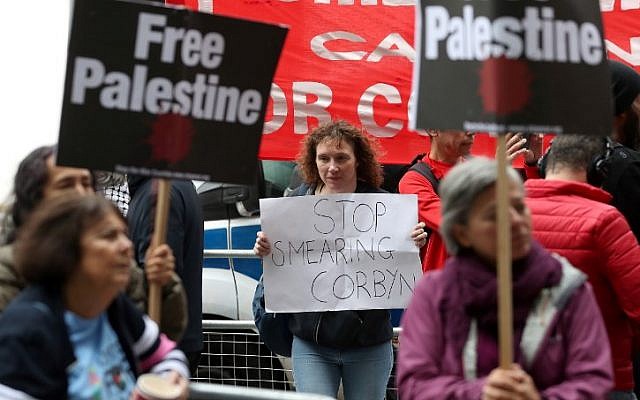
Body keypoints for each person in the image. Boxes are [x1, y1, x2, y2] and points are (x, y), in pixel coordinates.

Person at [397, 157, 614, 399]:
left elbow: (594, 380)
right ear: (462, 232)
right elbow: (414, 385)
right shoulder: (434, 294)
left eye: (519, 207)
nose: (515, 220)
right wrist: (480, 393)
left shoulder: (568, 288)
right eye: (495, 215)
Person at [253, 120, 427, 400]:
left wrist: (415, 241)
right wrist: (265, 249)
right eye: (324, 158)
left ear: (358, 161)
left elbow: (402, 262)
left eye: (341, 158)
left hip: (368, 343)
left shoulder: (385, 207)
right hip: (312, 343)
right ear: (313, 160)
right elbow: (282, 264)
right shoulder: (295, 202)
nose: (332, 167)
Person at [0, 194, 190, 399]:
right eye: (109, 236)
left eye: (125, 234)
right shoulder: (25, 331)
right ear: (64, 249)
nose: (127, 245)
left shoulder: (113, 306)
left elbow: (168, 356)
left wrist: (168, 383)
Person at [0, 145, 187, 341]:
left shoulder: (113, 258)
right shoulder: (11, 267)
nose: (81, 194)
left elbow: (158, 338)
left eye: (86, 183)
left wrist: (163, 285)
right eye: (66, 185)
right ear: (35, 197)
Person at [525, 134, 640, 399]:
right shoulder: (606, 221)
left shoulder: (505, 214)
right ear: (599, 168)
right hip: (601, 376)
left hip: (525, 378)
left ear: (545, 164)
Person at [398, 130, 531, 272]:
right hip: (446, 283)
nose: (470, 131)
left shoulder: (480, 169)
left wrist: (533, 165)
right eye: (459, 121)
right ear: (433, 130)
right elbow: (454, 220)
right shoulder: (414, 180)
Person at [128, 176, 204, 375]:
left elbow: (161, 280)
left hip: (161, 342)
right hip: (176, 339)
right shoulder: (179, 187)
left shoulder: (159, 193)